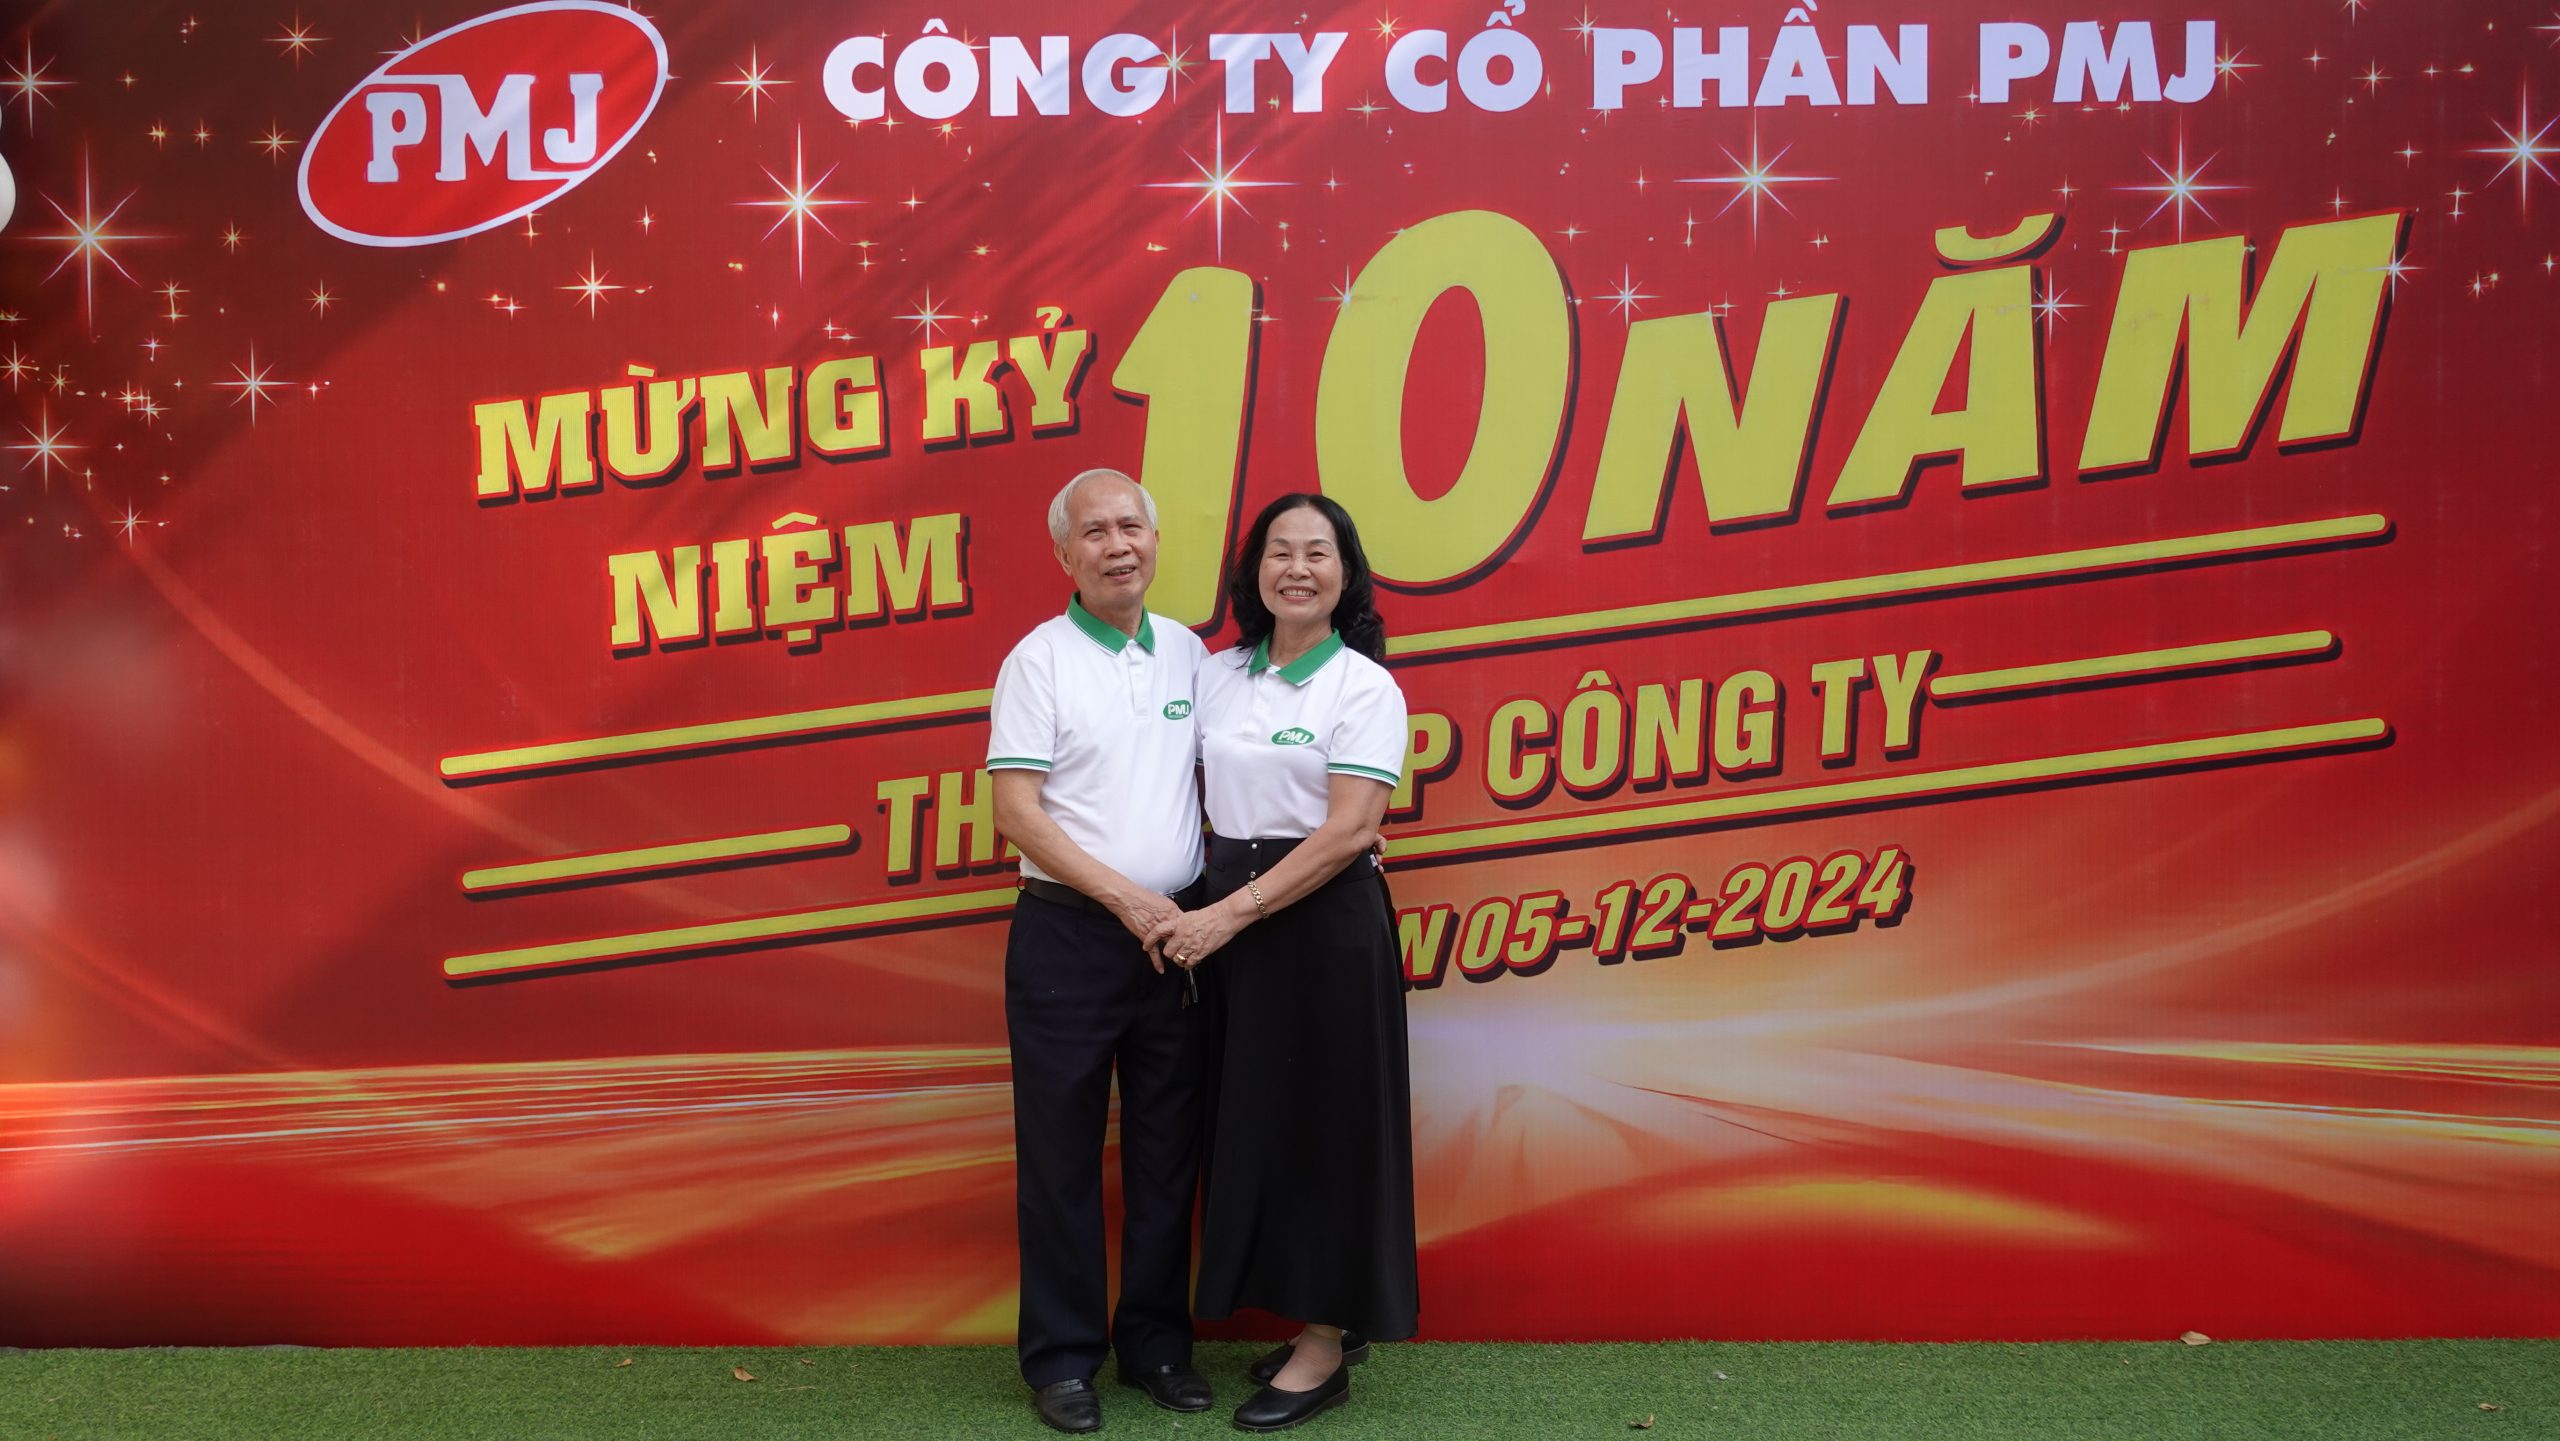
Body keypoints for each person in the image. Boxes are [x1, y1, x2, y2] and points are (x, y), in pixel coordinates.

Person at [1146, 492, 1420, 1433]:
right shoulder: (1217, 674)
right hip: (1234, 925)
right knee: (1257, 1122)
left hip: (1320, 930)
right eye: (1279, 551)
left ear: (1347, 575)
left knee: (1328, 1127)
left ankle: (1325, 1344)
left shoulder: (1364, 687)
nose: (1296, 568)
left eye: (1317, 552)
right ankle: (1315, 1312)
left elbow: (1348, 831)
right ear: (1253, 570)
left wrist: (1227, 915)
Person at [986, 468, 1217, 1435]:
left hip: (1180, 939)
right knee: (1060, 1158)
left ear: (1156, 540)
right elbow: (1015, 811)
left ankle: (1156, 1345)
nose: (1118, 545)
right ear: (1064, 554)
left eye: (1132, 526)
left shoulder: (1191, 654)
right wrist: (1125, 897)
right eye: (1095, 532)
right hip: (1070, 937)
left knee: (1169, 1153)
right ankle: (1064, 1358)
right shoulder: (1037, 661)